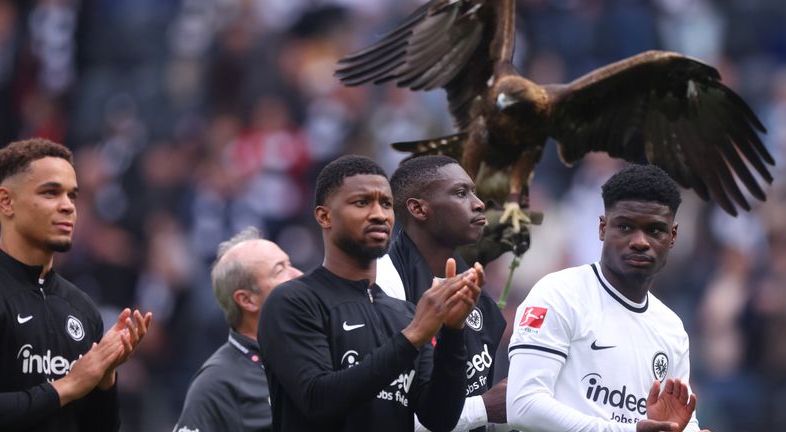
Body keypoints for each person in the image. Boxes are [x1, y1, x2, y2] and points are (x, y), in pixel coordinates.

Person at [258, 154, 484, 432]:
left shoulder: (403, 314)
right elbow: (317, 401)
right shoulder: (294, 301)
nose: (379, 214)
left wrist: (453, 331)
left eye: (386, 204)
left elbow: (439, 419)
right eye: (362, 202)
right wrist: (411, 337)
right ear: (324, 216)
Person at [506, 164, 703, 431]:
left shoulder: (671, 329)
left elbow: (680, 423)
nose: (640, 241)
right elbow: (522, 406)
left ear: (673, 236)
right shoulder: (558, 295)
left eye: (655, 230)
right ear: (602, 228)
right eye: (625, 227)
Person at [0, 138, 152, 431]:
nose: (68, 207)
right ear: (6, 201)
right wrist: (68, 385)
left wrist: (104, 377)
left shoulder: (82, 309)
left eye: (72, 196)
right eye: (50, 193)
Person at [376, 155, 507, 431]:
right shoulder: (385, 286)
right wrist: (483, 408)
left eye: (474, 191)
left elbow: (488, 400)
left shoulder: (473, 282)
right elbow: (382, 416)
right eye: (461, 193)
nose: (479, 203)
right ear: (419, 209)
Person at [174, 227, 302, 432]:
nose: (298, 275)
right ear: (247, 300)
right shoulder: (216, 383)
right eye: (280, 270)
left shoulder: (322, 350)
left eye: (290, 264)